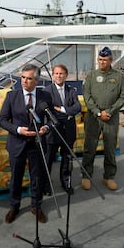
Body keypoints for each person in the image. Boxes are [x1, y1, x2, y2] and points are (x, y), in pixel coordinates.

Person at [0, 64, 53, 224]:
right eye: (23, 77)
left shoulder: (45, 96)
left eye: (29, 78)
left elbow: (51, 118)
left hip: (37, 143)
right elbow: (2, 121)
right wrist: (18, 129)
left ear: (36, 80)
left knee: (37, 177)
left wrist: (46, 127)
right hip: (17, 142)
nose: (24, 81)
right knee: (16, 176)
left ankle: (36, 206)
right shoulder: (12, 96)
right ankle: (14, 206)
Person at [81, 47, 124, 191]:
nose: (102, 62)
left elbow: (123, 96)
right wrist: (97, 112)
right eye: (100, 60)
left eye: (105, 60)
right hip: (93, 117)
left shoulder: (119, 76)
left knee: (110, 148)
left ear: (110, 60)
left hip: (111, 117)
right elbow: (87, 95)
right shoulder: (91, 76)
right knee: (90, 147)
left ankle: (108, 177)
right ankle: (86, 175)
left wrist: (110, 111)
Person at [43, 64, 81, 195]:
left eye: (61, 73)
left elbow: (78, 108)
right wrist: (67, 114)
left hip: (68, 131)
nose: (59, 76)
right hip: (53, 131)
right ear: (53, 76)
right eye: (56, 74)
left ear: (66, 75)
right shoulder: (46, 91)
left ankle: (66, 182)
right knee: (48, 159)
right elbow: (49, 111)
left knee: (67, 158)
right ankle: (46, 185)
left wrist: (63, 109)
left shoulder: (72, 90)